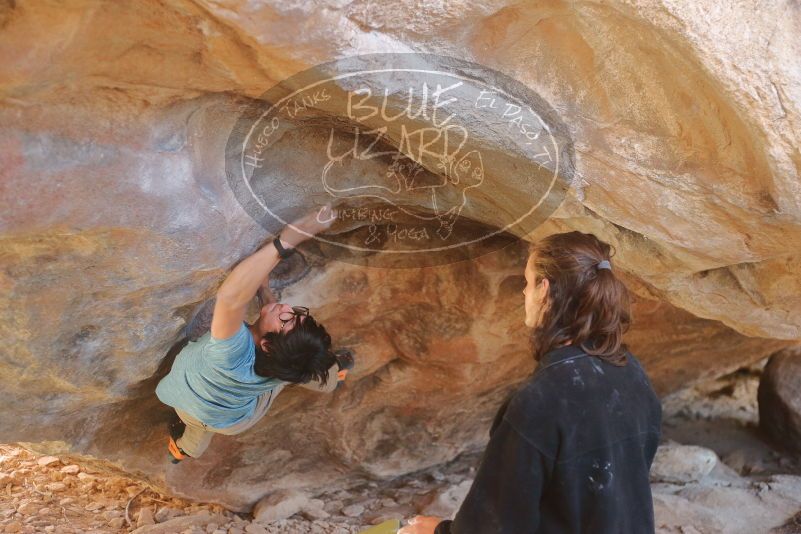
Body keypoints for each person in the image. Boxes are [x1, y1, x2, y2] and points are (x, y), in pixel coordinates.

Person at [400, 231, 662, 534]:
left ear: (545, 291)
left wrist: (436, 531)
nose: (524, 294)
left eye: (527, 283)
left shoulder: (539, 401)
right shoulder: (633, 375)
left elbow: (496, 525)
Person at [156, 206, 354, 463]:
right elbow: (271, 331)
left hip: (187, 406)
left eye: (287, 319)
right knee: (296, 365)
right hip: (231, 421)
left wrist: (288, 240)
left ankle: (184, 450)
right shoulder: (272, 359)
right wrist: (264, 291)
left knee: (298, 363)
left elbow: (230, 298)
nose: (286, 308)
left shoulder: (230, 354)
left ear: (267, 347)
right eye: (294, 313)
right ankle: (331, 376)